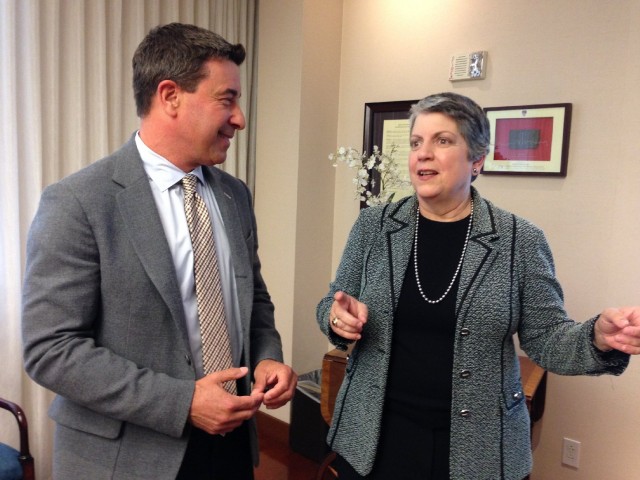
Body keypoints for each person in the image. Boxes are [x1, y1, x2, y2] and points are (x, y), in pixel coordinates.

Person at [22, 23, 297, 480]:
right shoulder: (79, 202)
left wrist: (267, 356)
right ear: (170, 96)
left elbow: (254, 301)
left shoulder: (234, 195)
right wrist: (184, 401)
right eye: (227, 99)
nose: (240, 119)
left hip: (232, 446)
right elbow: (51, 348)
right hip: (126, 459)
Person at [316, 92, 640, 480]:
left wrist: (597, 339)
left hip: (479, 448)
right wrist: (337, 319)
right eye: (417, 142)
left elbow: (547, 338)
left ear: (477, 159)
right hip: (374, 438)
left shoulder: (520, 240)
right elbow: (331, 304)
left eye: (443, 140)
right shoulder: (374, 226)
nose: (423, 153)